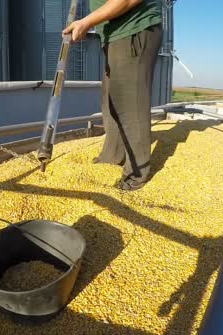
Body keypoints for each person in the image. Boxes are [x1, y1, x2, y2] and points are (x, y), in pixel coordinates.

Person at [64, 0, 163, 191]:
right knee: (112, 102)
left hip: (132, 30)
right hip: (116, 35)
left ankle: (136, 174)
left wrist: (87, 22)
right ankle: (113, 156)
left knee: (129, 105)